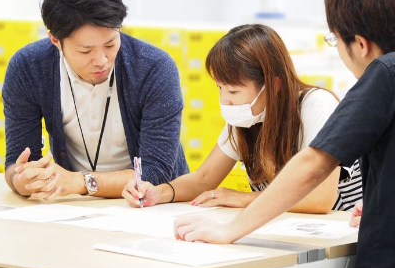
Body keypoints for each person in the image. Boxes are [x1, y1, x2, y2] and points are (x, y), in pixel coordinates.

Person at [173, 0, 395, 268]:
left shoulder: (388, 73)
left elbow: (314, 165)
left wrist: (230, 229)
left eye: (336, 41)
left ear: (360, 43)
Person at [123, 24, 362, 213]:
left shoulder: (317, 105)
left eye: (234, 91)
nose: (225, 100)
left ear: (274, 85)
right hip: (284, 228)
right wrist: (159, 193)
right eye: (220, 88)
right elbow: (204, 178)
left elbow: (320, 200)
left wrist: (244, 199)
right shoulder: (247, 118)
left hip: (340, 236)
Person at [3, 0, 188, 200]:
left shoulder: (154, 68)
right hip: (76, 204)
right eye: (85, 51)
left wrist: (80, 182)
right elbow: (17, 161)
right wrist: (22, 180)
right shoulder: (28, 67)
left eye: (110, 43)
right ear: (55, 41)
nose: (101, 60)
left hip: (152, 206)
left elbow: (155, 173)